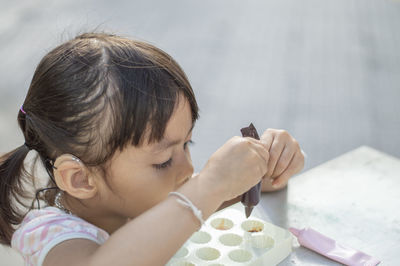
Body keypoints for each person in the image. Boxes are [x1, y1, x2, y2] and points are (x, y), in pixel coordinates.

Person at [0, 32, 304, 266]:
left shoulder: (144, 197)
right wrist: (210, 185)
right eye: (162, 161)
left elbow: (206, 200)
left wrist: (262, 171)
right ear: (80, 179)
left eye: (187, 144)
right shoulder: (51, 235)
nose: (187, 169)